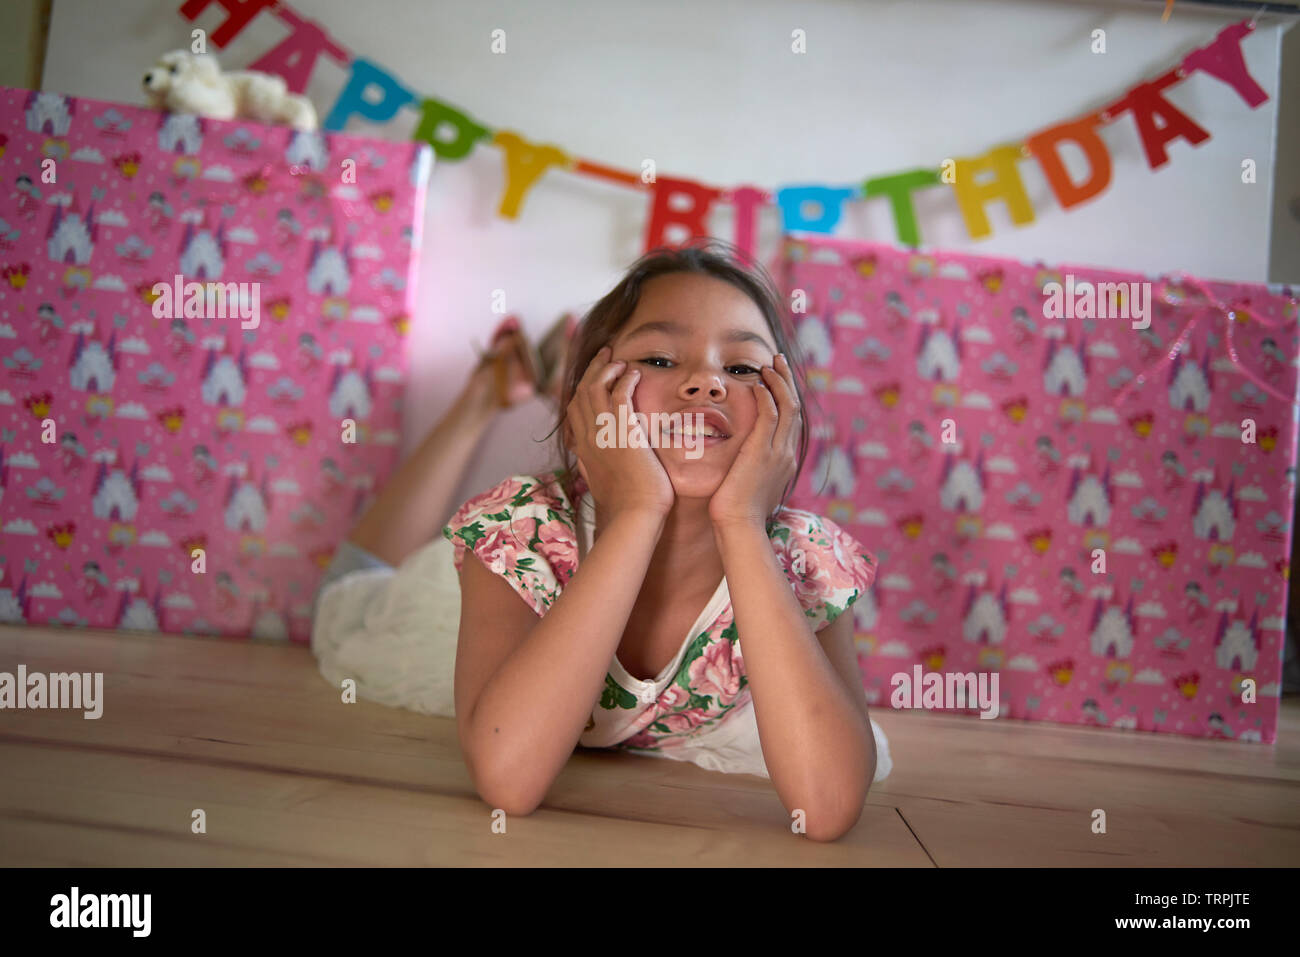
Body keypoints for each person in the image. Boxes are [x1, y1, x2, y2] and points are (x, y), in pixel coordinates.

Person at [312, 240, 892, 841]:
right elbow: (508, 780)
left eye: (742, 368)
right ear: (593, 399)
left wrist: (743, 523)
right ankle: (486, 392)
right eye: (661, 360)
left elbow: (826, 806)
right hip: (487, 622)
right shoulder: (522, 528)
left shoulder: (805, 559)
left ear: (784, 411)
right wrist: (638, 509)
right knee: (353, 592)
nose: (704, 383)